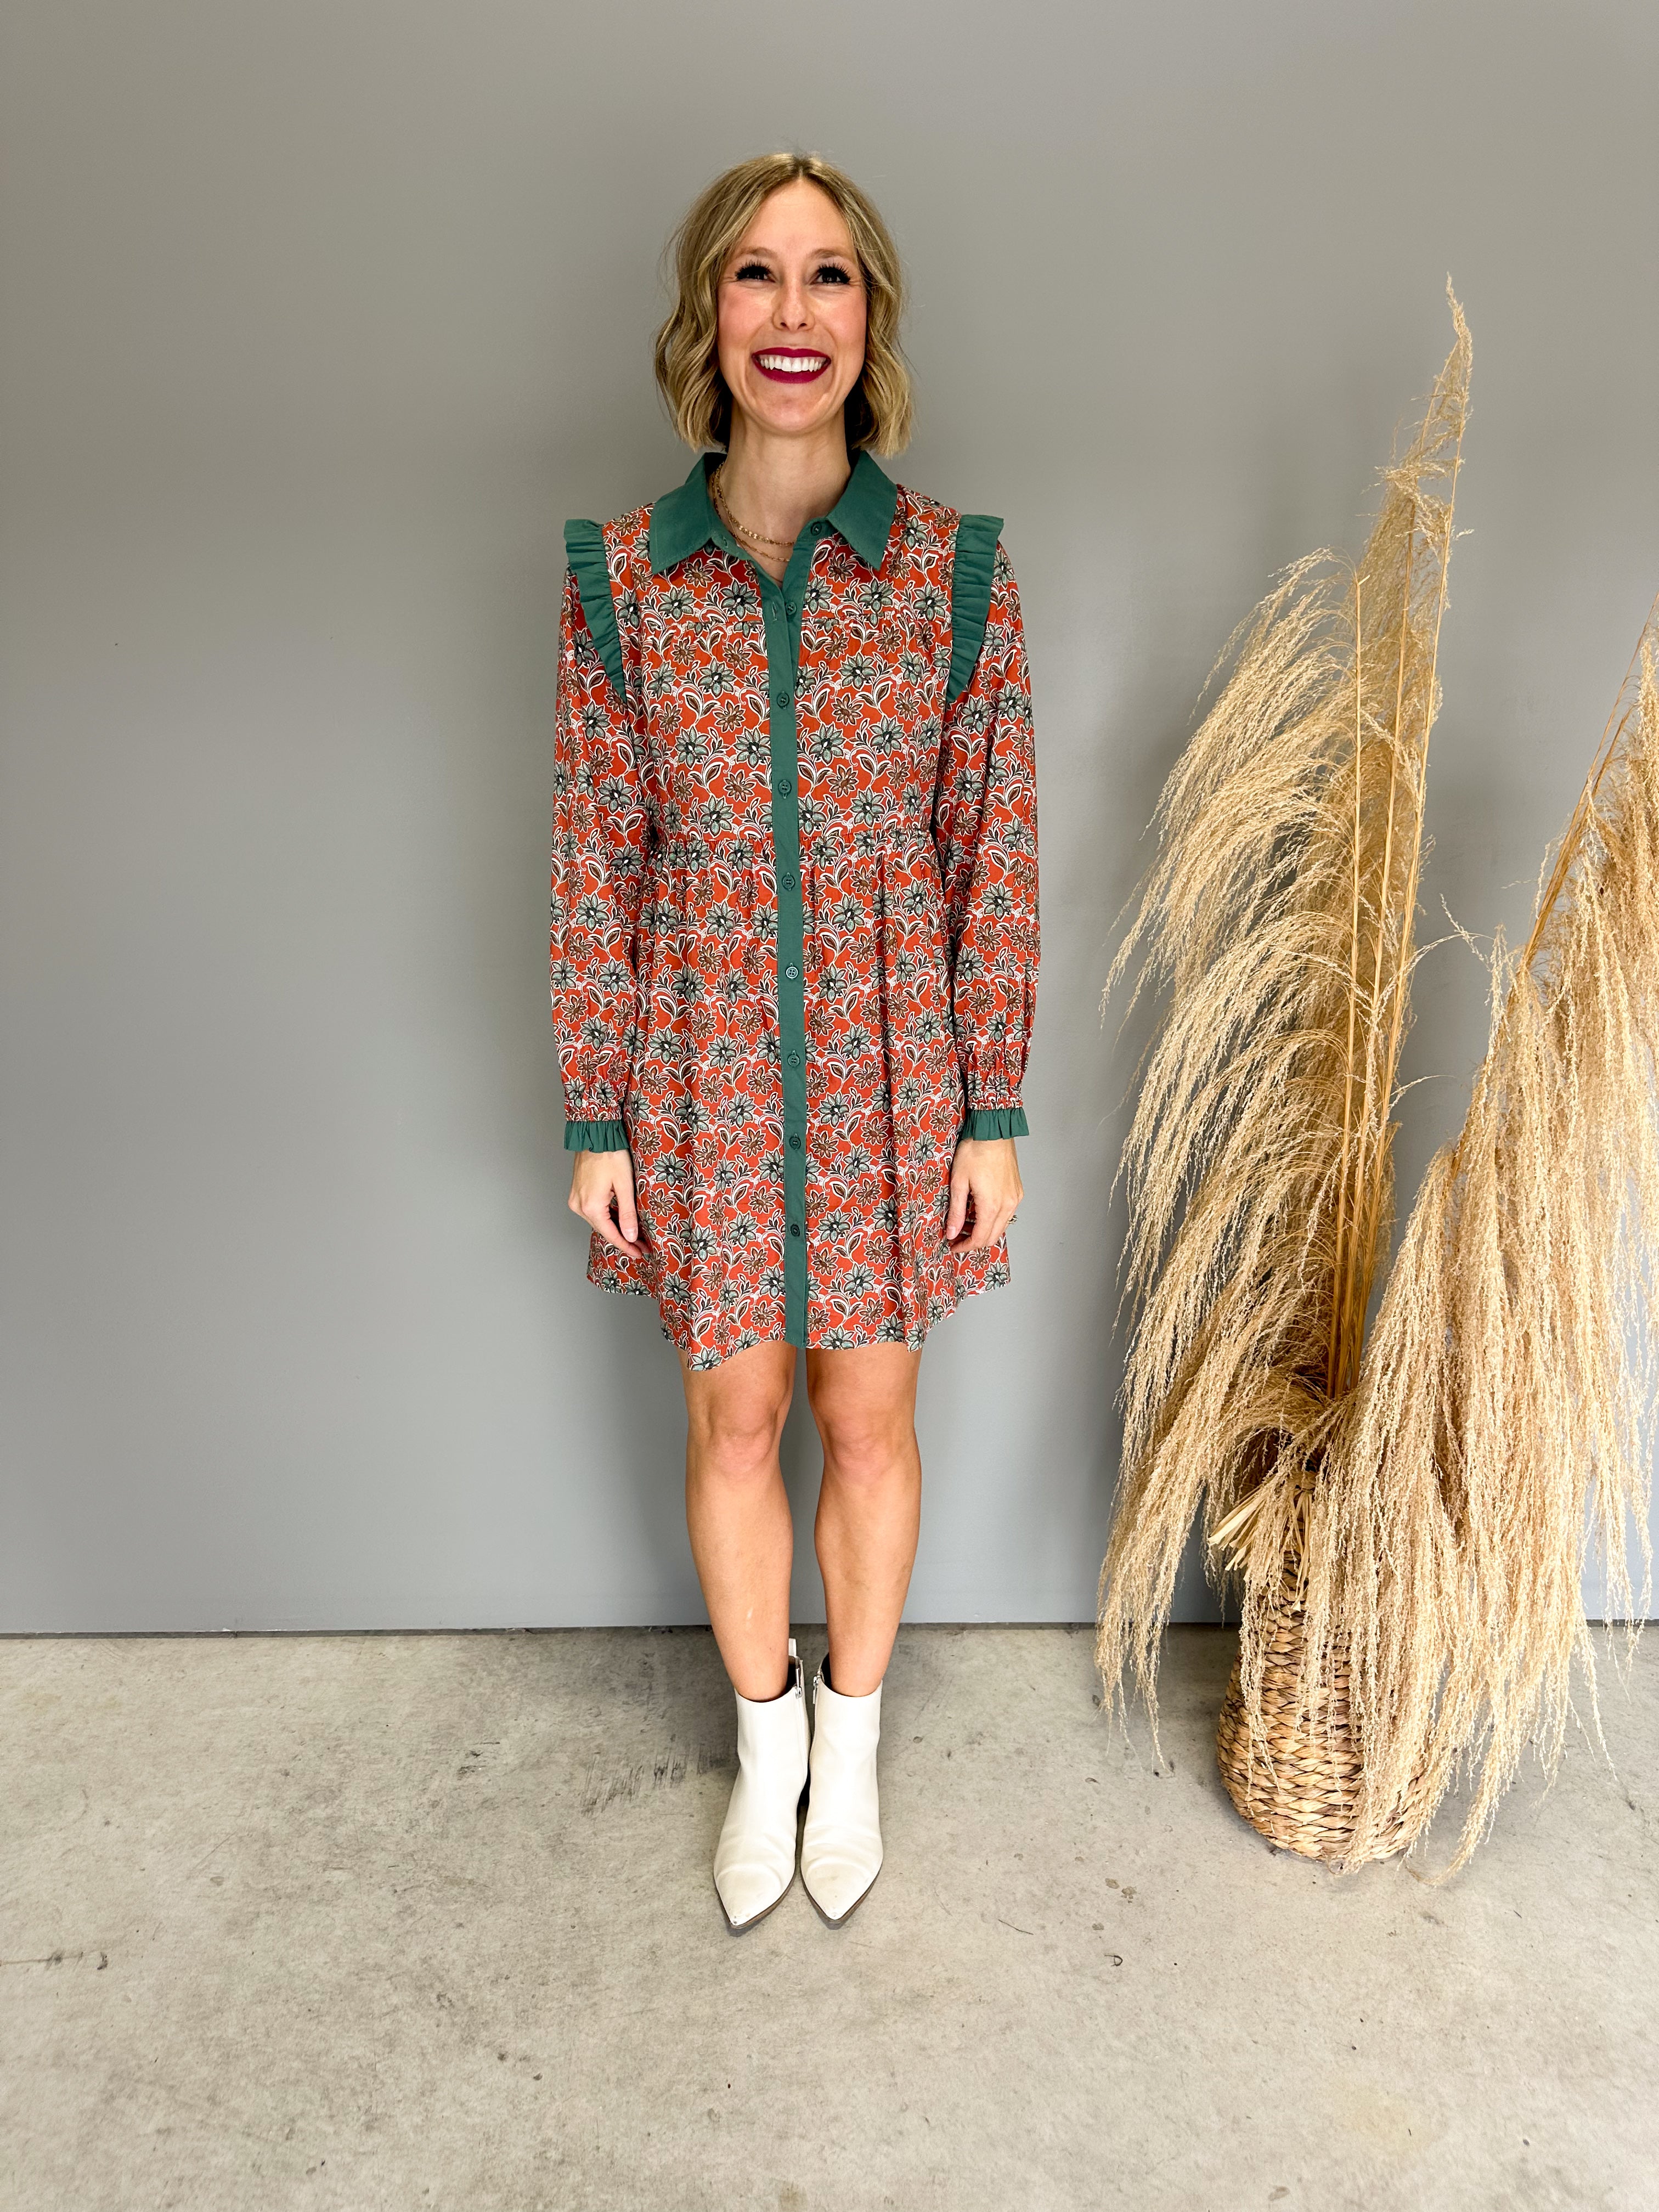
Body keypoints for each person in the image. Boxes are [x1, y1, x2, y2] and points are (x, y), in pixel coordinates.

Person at [550, 151, 1039, 1931]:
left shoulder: (954, 574)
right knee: (740, 1421)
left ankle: (856, 1745)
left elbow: (993, 852)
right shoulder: (622, 583)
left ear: (868, 319)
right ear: (711, 313)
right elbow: (599, 853)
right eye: (757, 274)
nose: (792, 312)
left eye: (828, 276)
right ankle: (768, 1760)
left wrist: (994, 1108)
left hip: (897, 1063)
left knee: (869, 1421)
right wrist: (596, 1111)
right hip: (700, 1063)